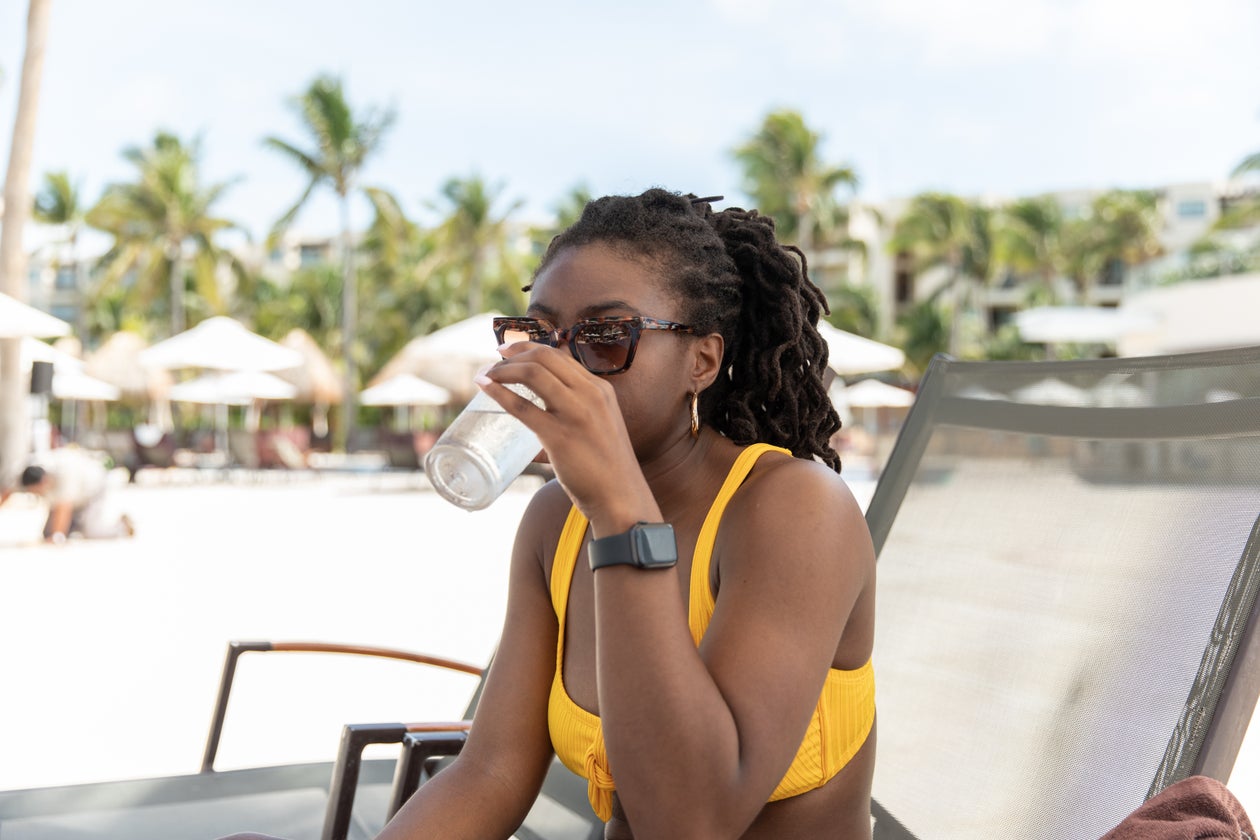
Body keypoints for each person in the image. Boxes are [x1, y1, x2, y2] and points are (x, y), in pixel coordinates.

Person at [223, 189, 878, 839]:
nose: (558, 365)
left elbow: (691, 824)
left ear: (701, 360)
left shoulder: (794, 510)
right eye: (537, 336)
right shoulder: (556, 521)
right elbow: (492, 773)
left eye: (605, 336)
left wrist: (620, 511)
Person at [16, 447, 135, 542]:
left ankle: (122, 527)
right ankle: (78, 525)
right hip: (76, 497)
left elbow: (64, 507)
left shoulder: (64, 473)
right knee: (47, 533)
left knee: (92, 532)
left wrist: (56, 536)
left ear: (43, 482)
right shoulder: (37, 471)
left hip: (93, 490)